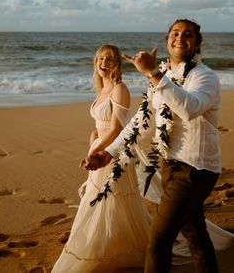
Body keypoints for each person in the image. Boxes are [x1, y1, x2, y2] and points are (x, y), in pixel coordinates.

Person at [85, 19, 225, 273]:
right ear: (167, 40)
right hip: (170, 166)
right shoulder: (166, 77)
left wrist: (153, 74)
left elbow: (189, 108)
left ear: (198, 44)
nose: (180, 38)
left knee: (158, 241)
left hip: (197, 169)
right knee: (196, 235)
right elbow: (139, 123)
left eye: (188, 34)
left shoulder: (204, 77)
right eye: (175, 33)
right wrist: (108, 153)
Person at [51, 44, 151, 273]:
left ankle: (115, 249)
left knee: (116, 199)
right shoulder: (102, 89)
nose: (103, 63)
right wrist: (93, 138)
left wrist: (96, 150)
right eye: (100, 59)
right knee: (100, 199)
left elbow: (116, 128)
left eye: (109, 59)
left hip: (113, 152)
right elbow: (100, 124)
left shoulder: (119, 88)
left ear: (117, 63)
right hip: (97, 147)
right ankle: (105, 242)